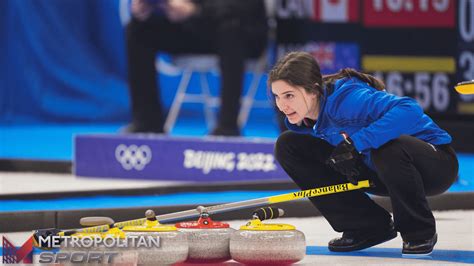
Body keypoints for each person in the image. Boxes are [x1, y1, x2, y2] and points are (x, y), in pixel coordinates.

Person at [269, 51, 458, 256]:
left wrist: (356, 144)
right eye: (277, 96)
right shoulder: (305, 121)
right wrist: (347, 154)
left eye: (289, 95)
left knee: (386, 146)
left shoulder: (349, 99)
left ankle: (419, 231)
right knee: (288, 145)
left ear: (313, 90)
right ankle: (367, 225)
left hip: (435, 166)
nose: (282, 105)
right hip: (381, 170)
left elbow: (409, 108)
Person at [124, 0, 268, 136]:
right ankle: (147, 121)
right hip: (197, 27)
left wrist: (196, 10)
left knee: (231, 29)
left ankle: (227, 126)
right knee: (138, 29)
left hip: (242, 31)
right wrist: (151, 7)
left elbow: (245, 7)